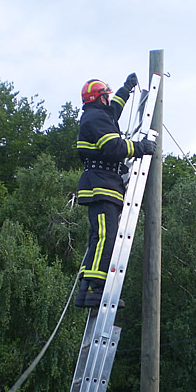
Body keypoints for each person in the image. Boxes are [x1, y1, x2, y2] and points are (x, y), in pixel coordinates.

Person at [75, 73, 156, 308]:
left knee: (98, 238)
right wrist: (141, 147)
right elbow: (113, 146)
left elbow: (114, 110)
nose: (110, 100)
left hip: (103, 183)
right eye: (107, 96)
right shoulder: (96, 118)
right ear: (100, 98)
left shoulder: (98, 115)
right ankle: (96, 289)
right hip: (101, 185)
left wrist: (126, 89)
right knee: (105, 237)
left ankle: (86, 291)